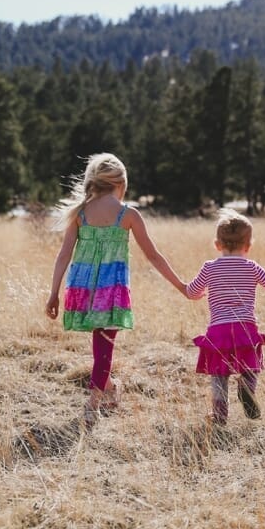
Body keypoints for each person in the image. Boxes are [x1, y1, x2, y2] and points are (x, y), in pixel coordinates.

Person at [45, 153, 186, 427]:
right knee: (105, 347)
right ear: (121, 183)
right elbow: (154, 256)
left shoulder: (80, 213)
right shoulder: (128, 214)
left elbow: (63, 255)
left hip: (82, 287)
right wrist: (180, 285)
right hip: (111, 288)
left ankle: (109, 388)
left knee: (100, 346)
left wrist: (53, 292)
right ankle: (92, 405)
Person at [184, 210, 265, 425]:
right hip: (245, 328)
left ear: (217, 244)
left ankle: (220, 415)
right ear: (248, 246)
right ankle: (247, 389)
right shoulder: (251, 267)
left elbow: (192, 292)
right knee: (250, 365)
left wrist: (199, 293)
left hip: (218, 329)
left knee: (219, 374)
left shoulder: (210, 268)